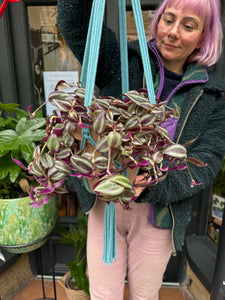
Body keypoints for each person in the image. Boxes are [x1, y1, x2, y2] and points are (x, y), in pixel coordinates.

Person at [57, 0, 225, 299]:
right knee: (103, 293)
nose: (173, 32)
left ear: (204, 37)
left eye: (188, 26)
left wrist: (152, 186)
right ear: (157, 21)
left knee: (145, 294)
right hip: (106, 207)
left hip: (159, 215)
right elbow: (75, 24)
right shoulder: (123, 61)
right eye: (168, 19)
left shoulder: (212, 93)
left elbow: (206, 162)